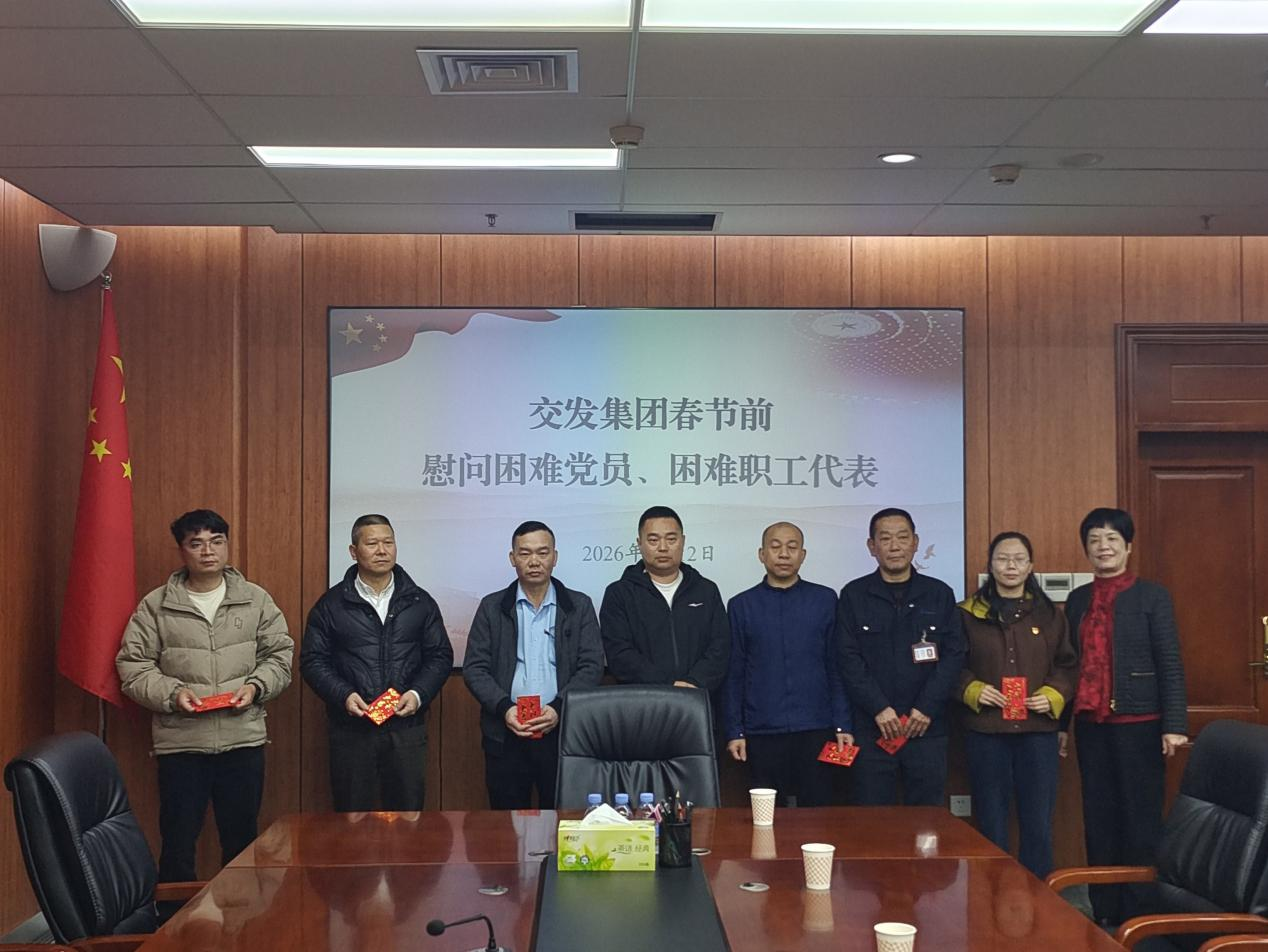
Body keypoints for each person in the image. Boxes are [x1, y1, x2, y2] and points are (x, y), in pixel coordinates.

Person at [116, 509, 294, 882]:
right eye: (196, 543)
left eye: (216, 541)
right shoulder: (156, 605)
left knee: (242, 842)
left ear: (227, 545)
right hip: (182, 745)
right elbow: (133, 666)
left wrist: (256, 687)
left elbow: (280, 656)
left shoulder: (255, 599)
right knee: (178, 844)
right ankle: (173, 918)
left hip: (242, 741)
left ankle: (242, 915)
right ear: (182, 550)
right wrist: (172, 694)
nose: (208, 551)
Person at [1062, 507, 1187, 925]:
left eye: (1112, 538)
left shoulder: (1152, 596)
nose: (1103, 547)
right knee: (1098, 818)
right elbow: (1069, 667)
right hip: (1091, 726)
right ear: (1086, 549)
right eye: (1094, 539)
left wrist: (1174, 725)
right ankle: (1104, 912)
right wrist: (1062, 726)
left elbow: (1169, 661)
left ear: (1128, 546)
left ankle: (1140, 916)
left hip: (1141, 724)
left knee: (1140, 820)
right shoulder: (1078, 599)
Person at [300, 514, 453, 811]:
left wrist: (417, 694)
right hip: (352, 729)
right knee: (352, 817)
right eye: (372, 544)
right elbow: (312, 660)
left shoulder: (420, 602)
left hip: (406, 727)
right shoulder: (331, 605)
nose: (382, 550)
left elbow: (440, 655)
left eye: (388, 542)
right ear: (353, 551)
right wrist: (344, 695)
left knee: (409, 816)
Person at [957, 531, 1077, 878]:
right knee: (990, 821)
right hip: (986, 732)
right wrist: (972, 689)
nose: (1010, 566)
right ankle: (991, 893)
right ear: (991, 565)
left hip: (1037, 733)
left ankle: (1037, 894)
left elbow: (1068, 665)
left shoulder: (1050, 615)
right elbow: (950, 667)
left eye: (1018, 559)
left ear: (1030, 566)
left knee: (1037, 823)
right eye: (1002, 558)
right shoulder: (967, 614)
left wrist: (1052, 694)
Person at [463, 521, 604, 809]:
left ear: (555, 557)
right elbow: (475, 668)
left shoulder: (579, 606)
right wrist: (505, 708)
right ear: (512, 558)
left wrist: (559, 707)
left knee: (563, 817)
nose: (534, 561)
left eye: (542, 552)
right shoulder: (492, 607)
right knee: (506, 823)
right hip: (506, 729)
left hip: (562, 729)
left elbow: (591, 666)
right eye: (525, 553)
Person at [837, 507, 965, 805]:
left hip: (926, 729)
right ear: (872, 546)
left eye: (902, 537)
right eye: (885, 539)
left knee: (926, 820)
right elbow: (847, 657)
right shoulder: (854, 595)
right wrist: (879, 708)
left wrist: (926, 708)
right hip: (873, 729)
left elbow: (954, 656)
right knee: (872, 819)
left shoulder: (939, 594)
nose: (894, 546)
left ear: (915, 542)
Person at [723, 522, 853, 807]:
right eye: (775, 546)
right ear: (761, 554)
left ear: (803, 555)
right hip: (761, 730)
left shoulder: (825, 600)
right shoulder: (741, 605)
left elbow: (837, 667)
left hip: (816, 726)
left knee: (818, 815)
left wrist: (843, 724)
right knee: (766, 816)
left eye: (792, 547)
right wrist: (735, 731)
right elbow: (734, 674)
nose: (784, 554)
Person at [599, 505, 730, 690]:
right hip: (642, 700)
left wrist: (694, 682)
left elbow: (720, 646)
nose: (663, 547)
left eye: (671, 539)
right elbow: (619, 653)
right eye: (653, 540)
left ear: (683, 541)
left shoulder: (706, 590)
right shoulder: (619, 594)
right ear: (639, 543)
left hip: (700, 697)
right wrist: (668, 685)